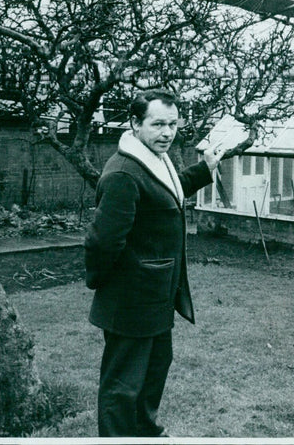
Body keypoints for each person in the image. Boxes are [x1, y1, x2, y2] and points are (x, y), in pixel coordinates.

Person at [85, 89, 223, 437]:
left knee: (155, 368)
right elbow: (103, 241)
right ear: (135, 123)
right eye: (157, 123)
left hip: (157, 296)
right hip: (131, 299)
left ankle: (145, 433)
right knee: (123, 383)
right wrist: (106, 285)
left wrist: (204, 169)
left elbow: (169, 192)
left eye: (173, 124)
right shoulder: (123, 172)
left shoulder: (153, 160)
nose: (167, 132)